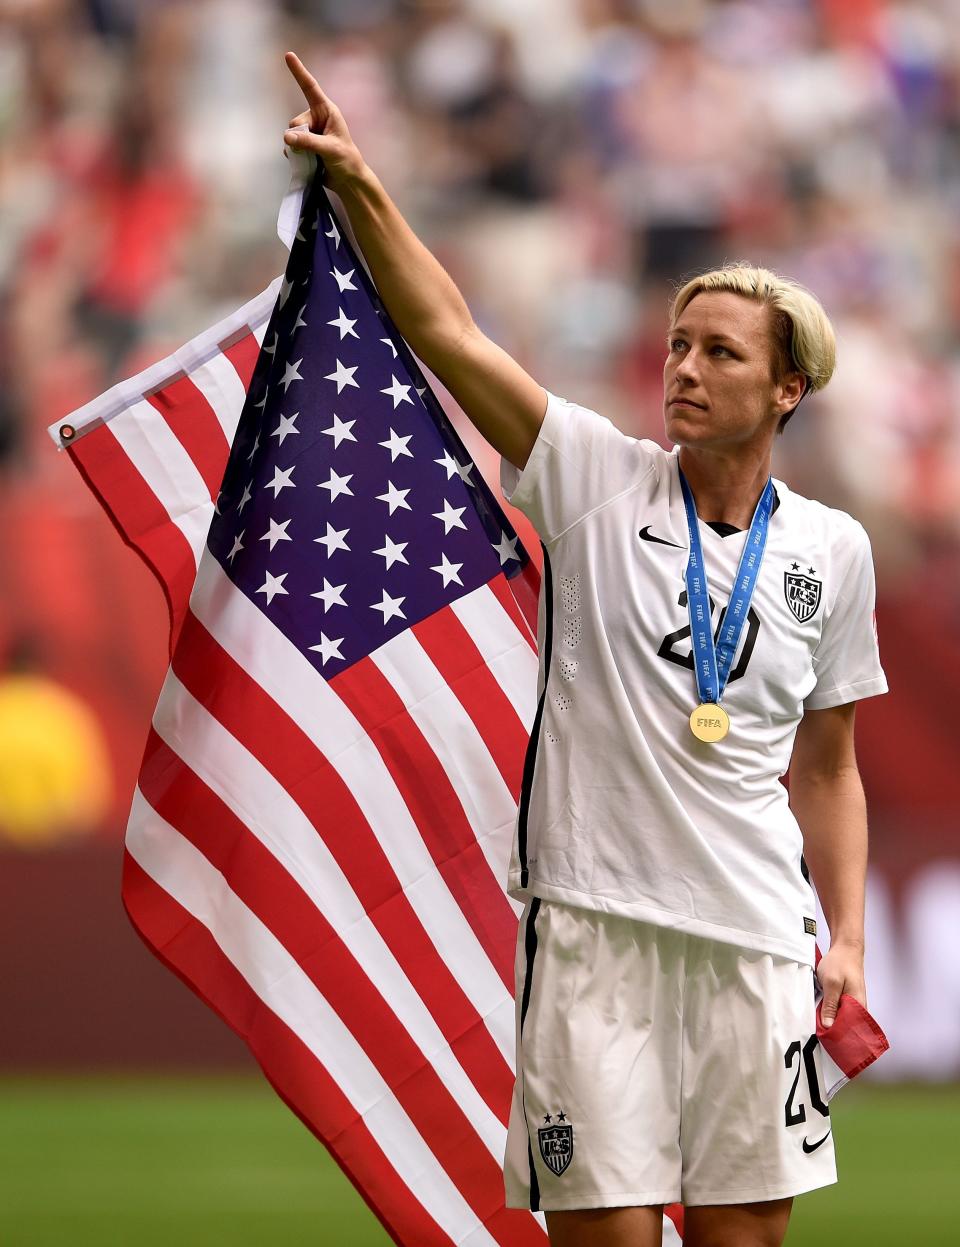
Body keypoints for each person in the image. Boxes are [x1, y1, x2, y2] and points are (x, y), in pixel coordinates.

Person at [282, 51, 887, 1247]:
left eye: (722, 352)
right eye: (678, 344)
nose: (686, 369)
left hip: (759, 944)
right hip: (595, 931)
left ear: (789, 389)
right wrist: (362, 186)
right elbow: (450, 334)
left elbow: (828, 765)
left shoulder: (835, 549)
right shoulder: (595, 478)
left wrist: (850, 936)